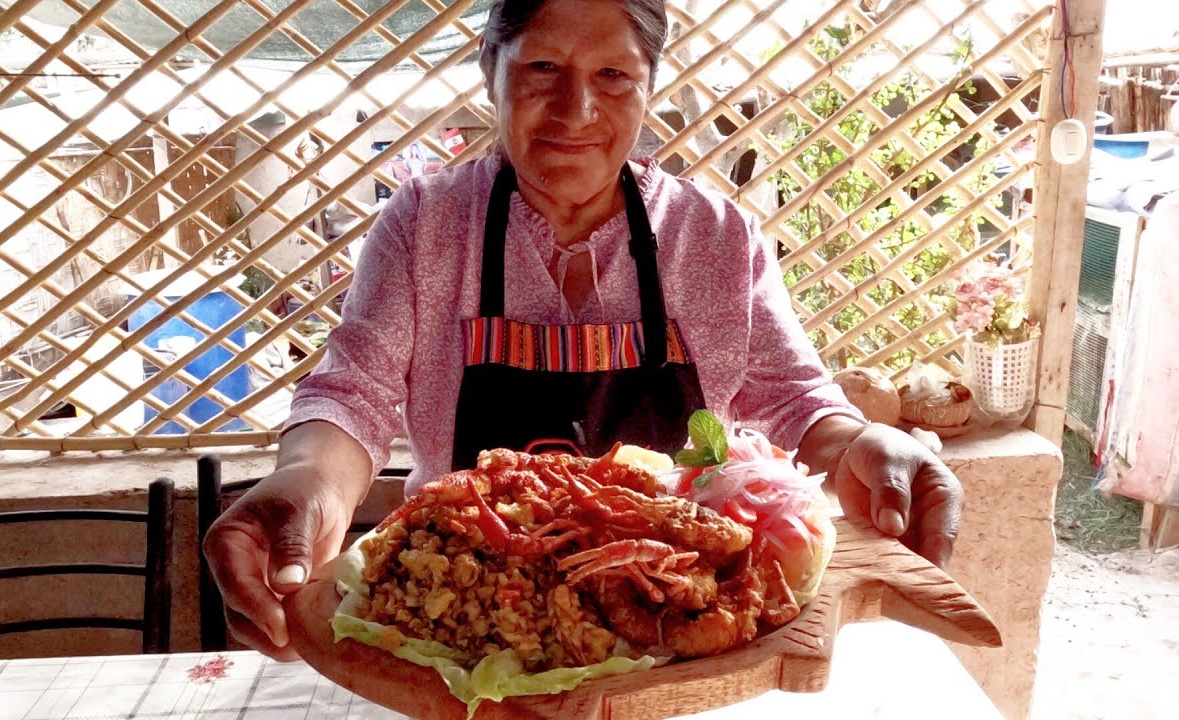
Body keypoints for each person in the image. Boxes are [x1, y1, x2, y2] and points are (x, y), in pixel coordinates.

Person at [204, 0, 963, 662]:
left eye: (613, 76)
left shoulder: (715, 237)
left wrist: (860, 442)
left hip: (670, 638)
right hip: (474, 629)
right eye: (541, 68)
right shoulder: (426, 228)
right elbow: (353, 397)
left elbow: (800, 404)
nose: (575, 112)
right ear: (488, 67)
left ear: (649, 85)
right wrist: (306, 483)